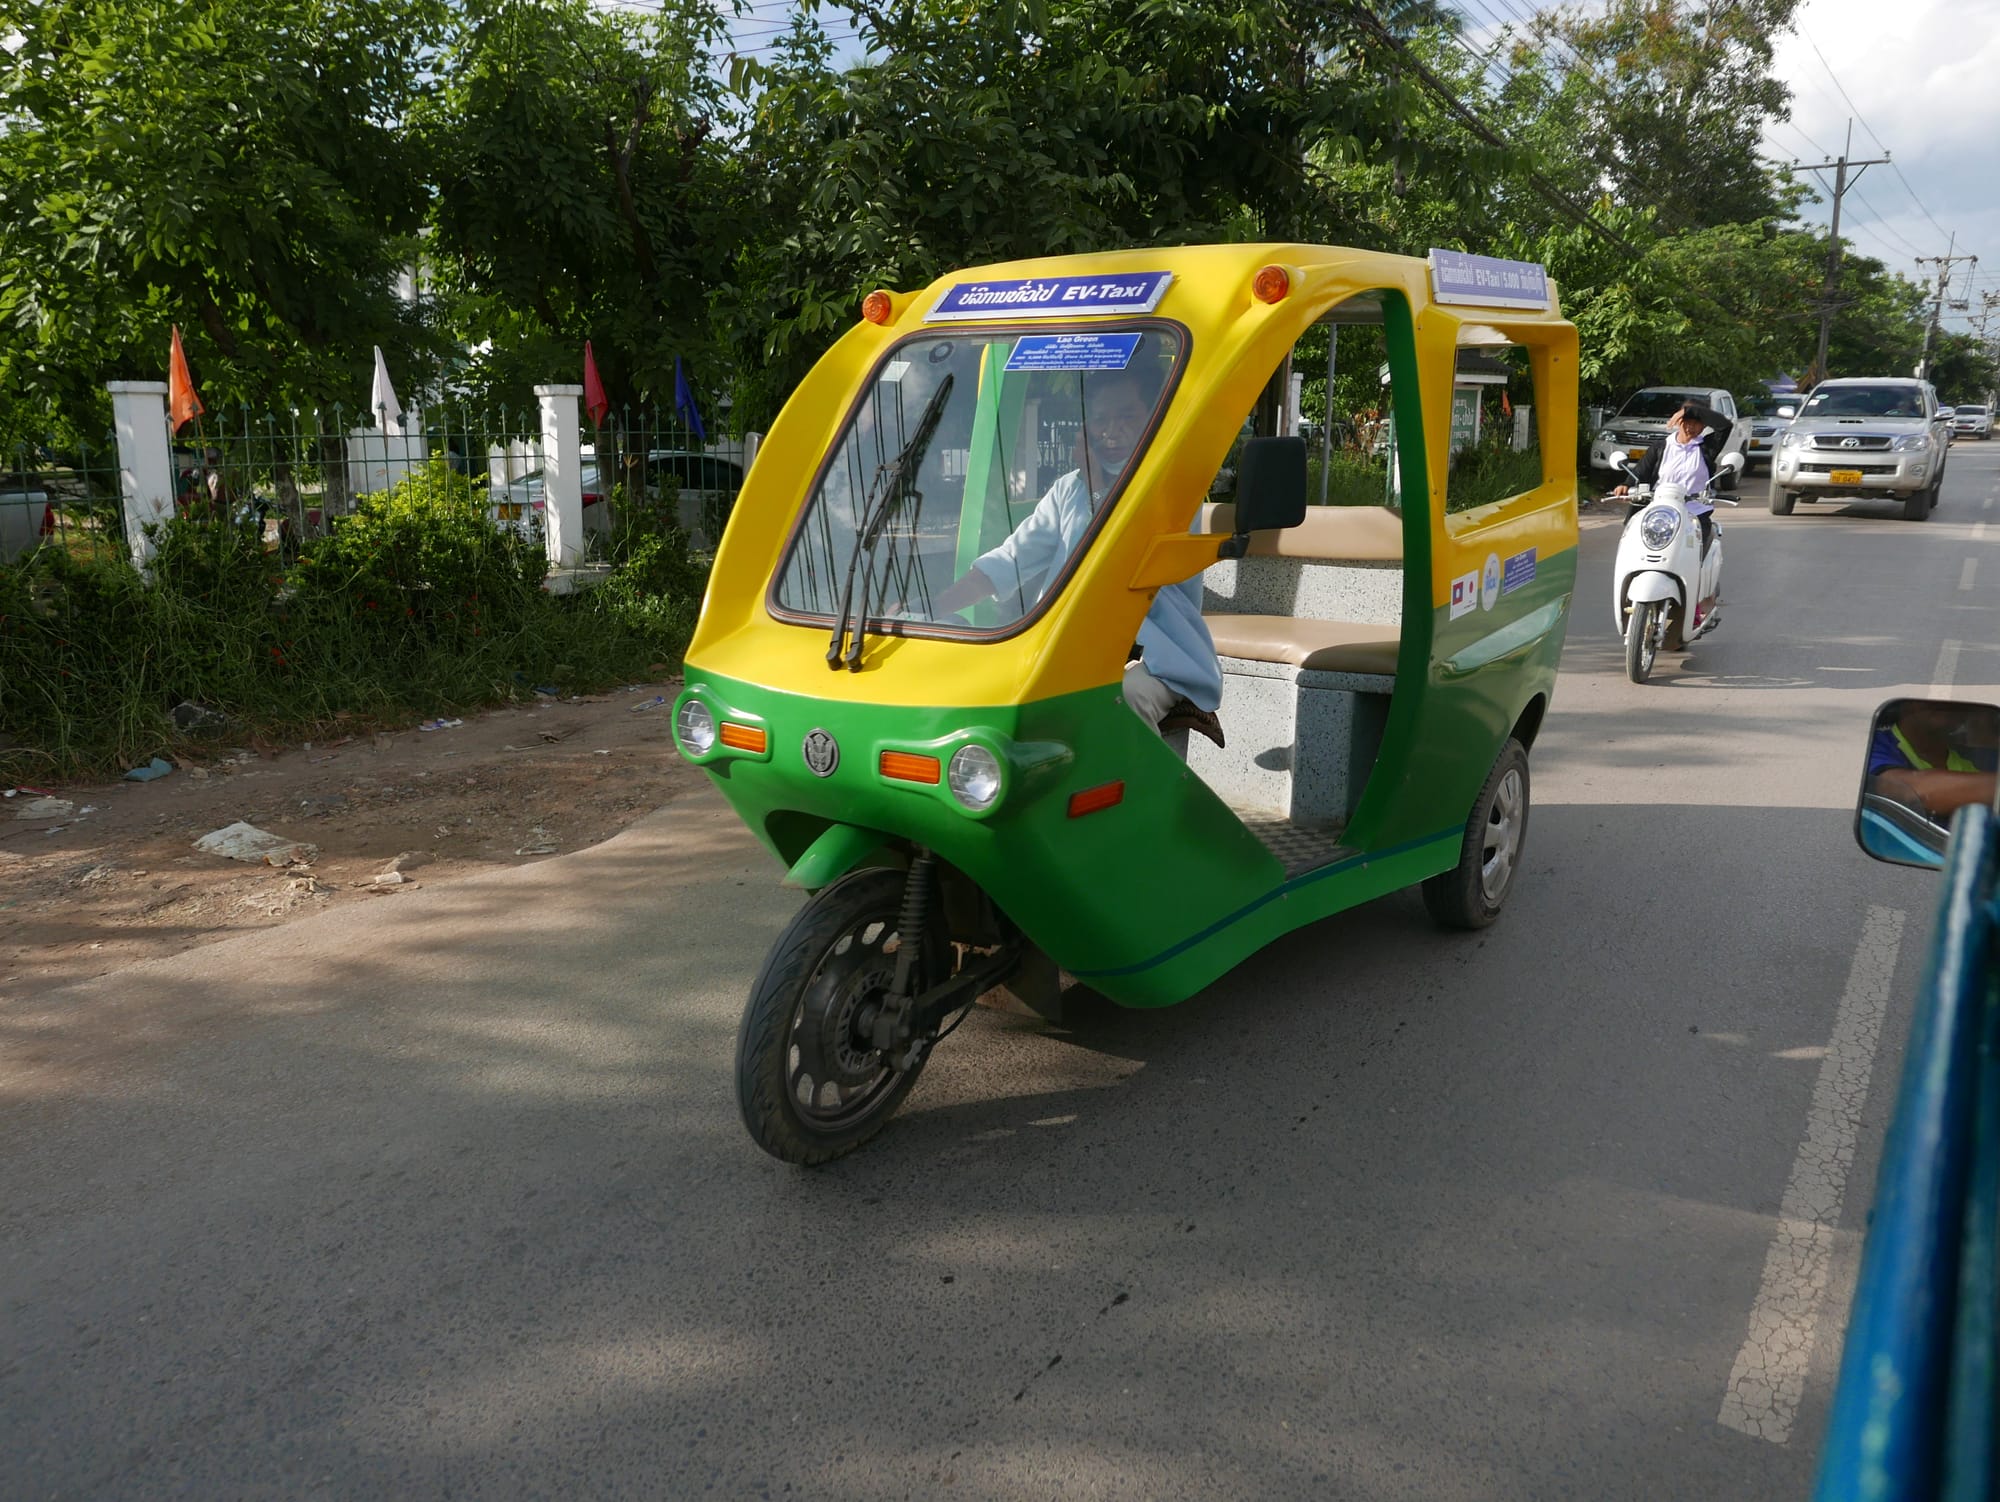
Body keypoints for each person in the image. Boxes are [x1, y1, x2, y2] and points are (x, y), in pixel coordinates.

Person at [933, 367, 1225, 745]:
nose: (1111, 430)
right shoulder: (1069, 488)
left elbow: (1113, 560)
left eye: (1125, 416)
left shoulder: (1171, 486)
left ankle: (1139, 800)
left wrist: (1097, 489)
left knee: (1124, 699)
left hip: (1157, 649)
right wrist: (933, 606)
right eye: (1101, 419)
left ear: (1151, 419)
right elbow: (1010, 560)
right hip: (1066, 642)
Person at [1613, 399, 1733, 547]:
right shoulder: (1660, 447)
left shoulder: (1708, 447)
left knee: (1696, 552)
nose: (1691, 426)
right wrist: (1626, 485)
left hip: (1695, 513)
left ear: (1704, 425)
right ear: (1678, 421)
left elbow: (1725, 425)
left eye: (1697, 422)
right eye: (1686, 421)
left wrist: (1688, 411)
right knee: (1634, 546)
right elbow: (1641, 472)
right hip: (1659, 512)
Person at [1868, 701, 1999, 822]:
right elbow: (1907, 790)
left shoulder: (1975, 758)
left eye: (1957, 703)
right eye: (1929, 701)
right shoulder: (1876, 743)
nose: (1946, 704)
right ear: (1904, 705)